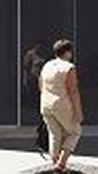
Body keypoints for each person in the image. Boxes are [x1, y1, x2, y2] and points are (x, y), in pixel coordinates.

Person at [40, 39, 83, 173]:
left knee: (55, 134)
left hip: (46, 104)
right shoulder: (68, 67)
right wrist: (78, 111)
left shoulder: (47, 65)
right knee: (75, 132)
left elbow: (40, 85)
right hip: (62, 104)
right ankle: (61, 164)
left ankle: (55, 163)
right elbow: (73, 91)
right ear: (67, 52)